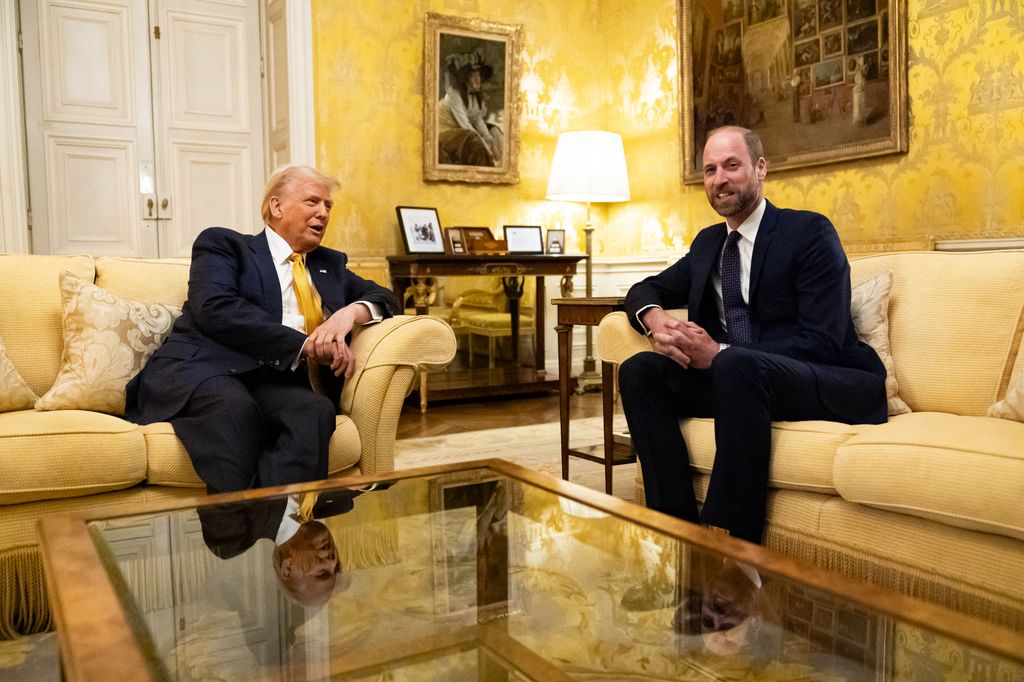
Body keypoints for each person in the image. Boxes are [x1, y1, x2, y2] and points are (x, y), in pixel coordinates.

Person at [618, 126, 886, 545]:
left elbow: (824, 339)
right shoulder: (709, 244)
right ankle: (674, 532)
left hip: (822, 377)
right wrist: (655, 320)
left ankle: (729, 543)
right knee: (641, 370)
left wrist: (719, 351)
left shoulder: (809, 232)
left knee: (734, 363)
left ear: (760, 169)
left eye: (731, 165)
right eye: (709, 170)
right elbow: (644, 289)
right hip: (738, 380)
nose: (719, 179)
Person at [125, 164, 400, 494]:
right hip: (207, 371)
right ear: (276, 206)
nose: (323, 213)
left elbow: (385, 297)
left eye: (328, 206)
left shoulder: (330, 264)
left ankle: (288, 528)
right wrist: (306, 345)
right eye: (312, 202)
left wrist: (348, 315)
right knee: (235, 411)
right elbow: (216, 308)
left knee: (314, 411)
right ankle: (246, 535)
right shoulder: (225, 246)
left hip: (273, 380)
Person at [437, 48, 503, 167]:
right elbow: (466, 126)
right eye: (473, 76)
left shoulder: (474, 96)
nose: (478, 79)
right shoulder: (454, 95)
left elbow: (477, 119)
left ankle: (501, 163)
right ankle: (490, 163)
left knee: (494, 131)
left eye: (479, 75)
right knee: (472, 137)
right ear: (465, 79)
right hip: (444, 133)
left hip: (461, 129)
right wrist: (487, 150)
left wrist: (489, 139)